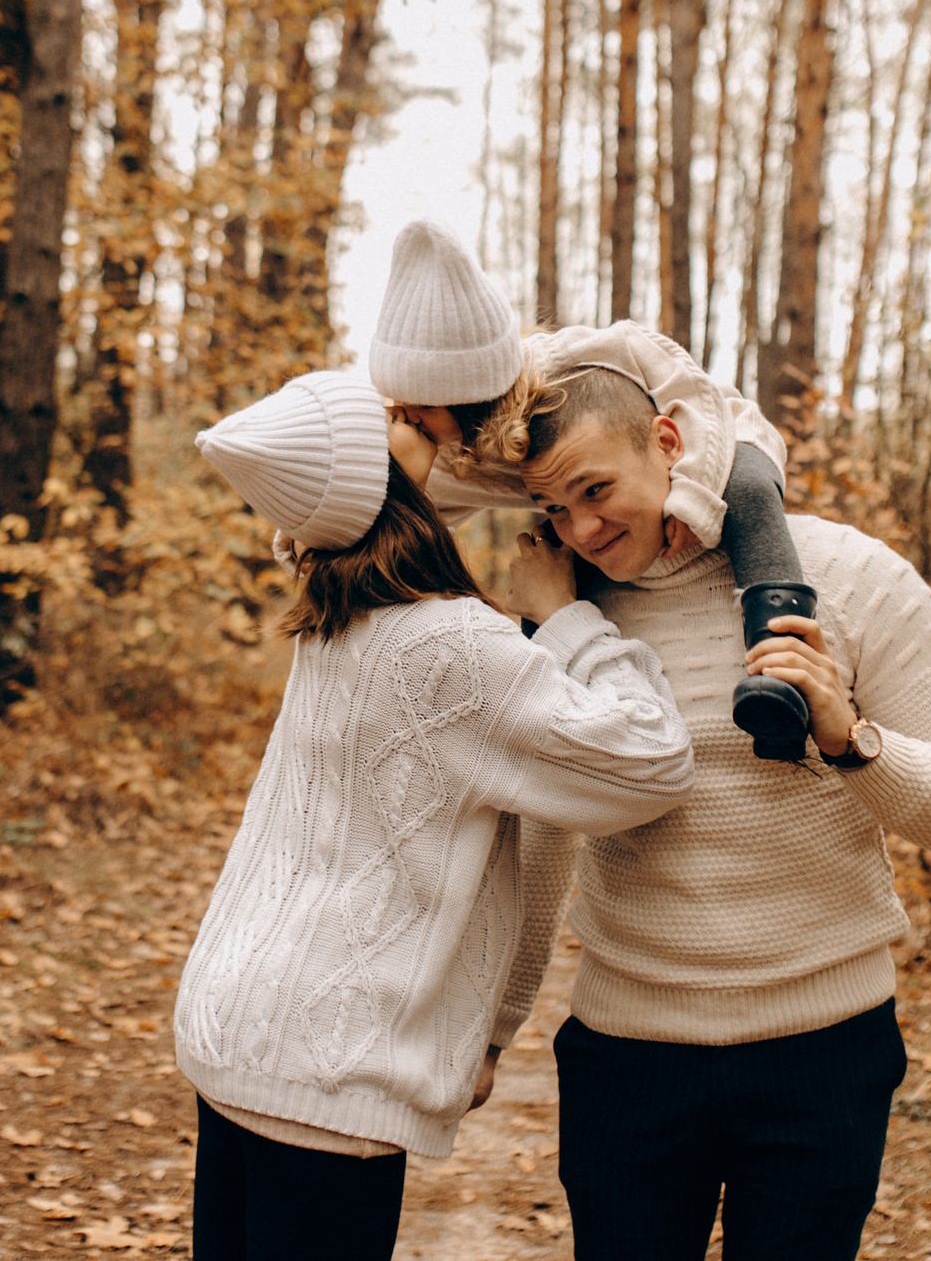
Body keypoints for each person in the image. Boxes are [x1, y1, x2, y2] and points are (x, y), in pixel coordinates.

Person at [502, 364, 931, 1261]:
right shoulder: (566, 615)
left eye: (597, 490)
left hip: (822, 1055)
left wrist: (851, 738)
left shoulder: (847, 575)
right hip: (628, 1058)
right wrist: (494, 1025)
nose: (582, 529)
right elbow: (540, 838)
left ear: (669, 441)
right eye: (554, 508)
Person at [175, 369, 696, 1261]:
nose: (411, 415)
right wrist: (568, 619)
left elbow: (313, 490)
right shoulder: (452, 646)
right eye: (391, 421)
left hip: (237, 1030)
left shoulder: (329, 594)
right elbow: (651, 761)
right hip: (326, 1070)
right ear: (366, 482)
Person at [367, 219, 821, 760]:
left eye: (420, 408)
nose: (409, 420)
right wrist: (397, 477)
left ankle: (782, 675)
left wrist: (688, 494)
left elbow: (694, 398)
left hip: (716, 442)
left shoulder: (583, 356)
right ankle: (547, 719)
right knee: (547, 560)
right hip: (574, 497)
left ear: (466, 389)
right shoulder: (445, 445)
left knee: (747, 489)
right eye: (399, 407)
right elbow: (381, 515)